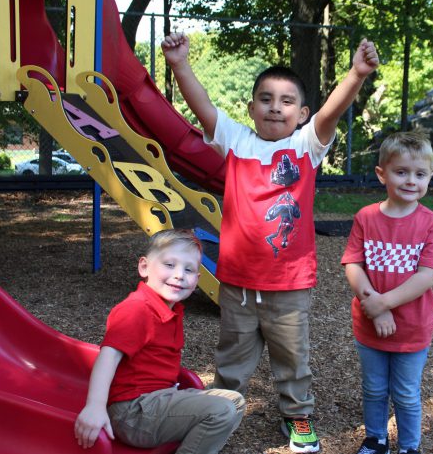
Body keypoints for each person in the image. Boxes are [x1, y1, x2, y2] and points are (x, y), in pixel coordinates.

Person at [161, 32, 380, 453]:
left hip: (288, 284)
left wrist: (356, 74)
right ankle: (220, 411)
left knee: (291, 358)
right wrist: (179, 66)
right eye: (265, 99)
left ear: (301, 114)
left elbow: (333, 111)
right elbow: (203, 107)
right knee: (231, 357)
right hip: (238, 281)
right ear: (251, 109)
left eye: (285, 101)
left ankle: (297, 416)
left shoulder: (306, 146)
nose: (274, 107)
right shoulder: (238, 141)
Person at [74, 229, 245, 454]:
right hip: (133, 412)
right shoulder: (137, 309)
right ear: (144, 267)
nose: (179, 275)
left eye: (188, 269)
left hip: (158, 400)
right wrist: (95, 406)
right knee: (221, 411)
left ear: (197, 280)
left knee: (235, 401)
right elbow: (107, 357)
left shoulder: (168, 309)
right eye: (169, 265)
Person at [341, 132, 433, 454]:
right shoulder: (366, 217)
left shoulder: (431, 224)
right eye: (401, 172)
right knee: (373, 388)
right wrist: (375, 307)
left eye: (419, 174)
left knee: (405, 393)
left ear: (430, 177)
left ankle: (409, 446)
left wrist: (384, 303)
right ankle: (376, 439)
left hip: (412, 326)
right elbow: (353, 264)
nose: (411, 180)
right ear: (381, 174)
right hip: (369, 323)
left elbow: (427, 276)